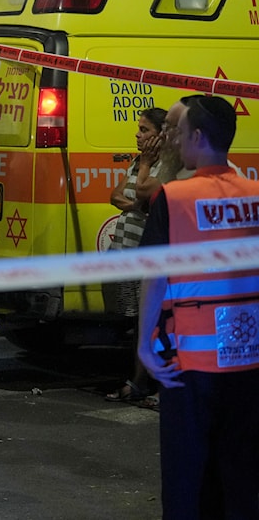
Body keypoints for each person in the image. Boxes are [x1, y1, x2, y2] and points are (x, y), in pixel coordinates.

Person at [137, 94, 259, 519]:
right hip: (247, 361)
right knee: (241, 475)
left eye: (180, 132)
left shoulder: (174, 198)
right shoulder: (255, 193)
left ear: (200, 137)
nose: (174, 140)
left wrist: (143, 348)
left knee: (187, 478)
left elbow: (154, 276)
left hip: (188, 363)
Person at [103, 107, 167, 403]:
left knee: (149, 322)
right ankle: (139, 380)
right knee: (135, 321)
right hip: (126, 251)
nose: (138, 135)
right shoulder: (138, 162)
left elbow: (144, 193)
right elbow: (117, 196)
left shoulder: (163, 166)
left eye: (145, 130)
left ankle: (143, 383)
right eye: (138, 129)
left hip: (148, 254)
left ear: (161, 135)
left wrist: (136, 197)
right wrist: (132, 206)